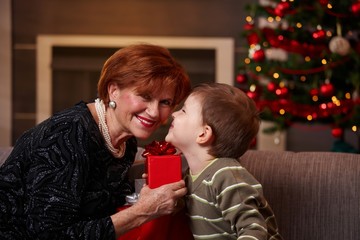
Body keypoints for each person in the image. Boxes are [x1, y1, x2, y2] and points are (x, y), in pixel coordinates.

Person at [0, 44, 191, 239]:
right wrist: (142, 211)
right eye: (145, 96)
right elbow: (49, 236)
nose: (154, 112)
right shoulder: (67, 134)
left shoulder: (126, 141)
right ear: (113, 90)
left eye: (165, 102)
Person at [165, 83, 283, 240]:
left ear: (203, 134)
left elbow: (253, 229)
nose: (174, 114)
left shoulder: (226, 175)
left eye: (184, 111)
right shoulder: (190, 176)